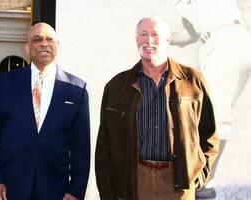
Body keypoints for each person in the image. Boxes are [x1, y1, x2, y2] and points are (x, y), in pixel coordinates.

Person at [95, 16, 220, 200]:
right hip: (135, 183)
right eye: (143, 34)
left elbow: (209, 137)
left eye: (155, 35)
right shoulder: (116, 87)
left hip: (178, 186)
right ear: (136, 39)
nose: (149, 40)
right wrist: (108, 193)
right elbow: (104, 146)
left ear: (168, 40)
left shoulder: (193, 81)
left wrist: (198, 176)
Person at [0, 22, 90, 200]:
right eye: (37, 39)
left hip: (56, 189)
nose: (44, 43)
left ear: (57, 46)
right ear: (27, 48)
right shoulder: (5, 83)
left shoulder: (77, 89)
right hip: (10, 187)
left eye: (49, 39)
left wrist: (75, 191)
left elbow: (81, 147)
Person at [172, 0, 251, 198]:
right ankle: (203, 181)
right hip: (240, 41)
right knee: (216, 114)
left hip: (224, 46)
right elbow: (190, 34)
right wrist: (165, 38)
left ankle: (203, 183)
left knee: (216, 117)